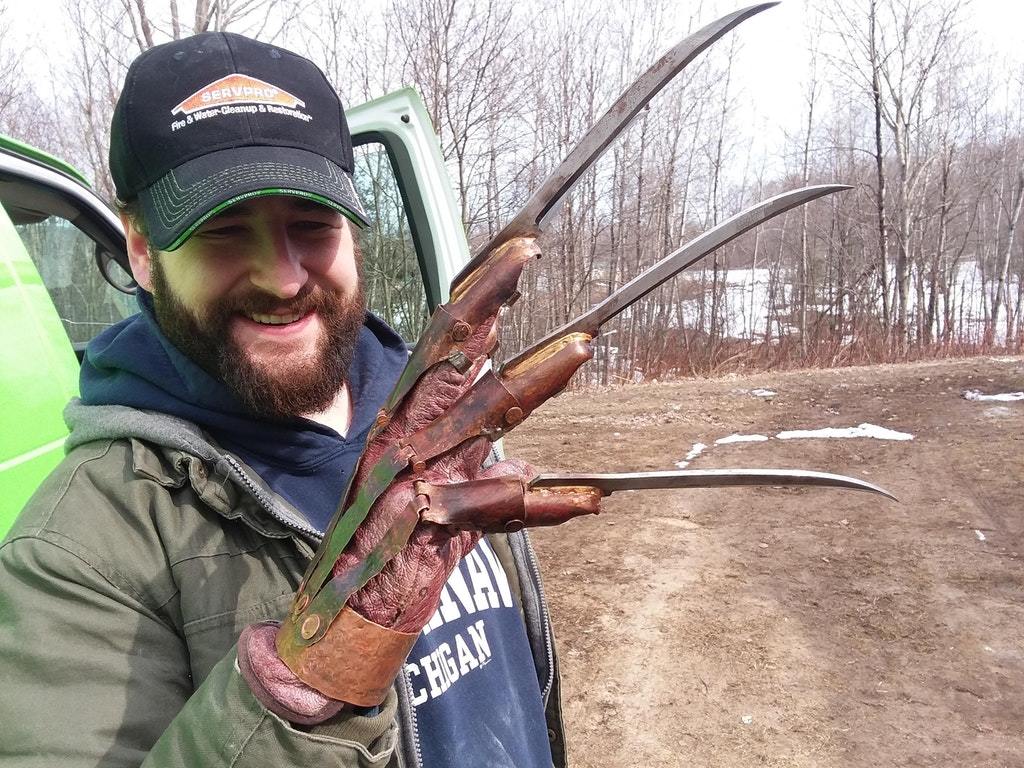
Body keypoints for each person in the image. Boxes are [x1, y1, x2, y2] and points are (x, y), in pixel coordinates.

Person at [0, 32, 565, 767]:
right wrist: (314, 677)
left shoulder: (442, 415)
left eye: (312, 224)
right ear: (141, 248)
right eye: (225, 230)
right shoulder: (79, 550)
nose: (285, 276)